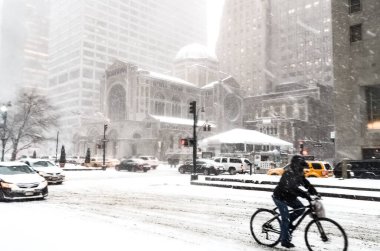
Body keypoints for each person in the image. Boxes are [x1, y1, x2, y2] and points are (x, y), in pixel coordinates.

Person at [272, 155, 319, 248]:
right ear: (296, 165)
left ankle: (287, 224)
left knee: (300, 209)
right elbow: (292, 188)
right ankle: (284, 240)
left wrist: (313, 191)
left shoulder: (299, 173)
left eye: (303, 167)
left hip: (290, 197)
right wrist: (306, 195)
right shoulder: (288, 174)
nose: (302, 169)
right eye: (301, 166)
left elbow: (305, 183)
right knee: (285, 219)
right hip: (280, 197)